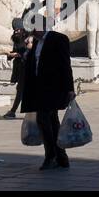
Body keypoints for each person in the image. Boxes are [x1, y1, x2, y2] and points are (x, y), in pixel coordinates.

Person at [18, 27, 75, 170]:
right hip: (39, 88)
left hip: (53, 88)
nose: (32, 34)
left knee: (42, 119)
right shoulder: (37, 42)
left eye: (33, 31)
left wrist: (70, 88)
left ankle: (51, 156)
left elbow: (65, 64)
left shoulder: (58, 38)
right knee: (52, 121)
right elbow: (35, 63)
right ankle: (61, 157)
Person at [2, 22, 32, 120]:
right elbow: (17, 51)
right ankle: (30, 112)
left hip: (27, 68)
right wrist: (10, 55)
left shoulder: (28, 39)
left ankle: (13, 111)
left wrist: (16, 55)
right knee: (22, 90)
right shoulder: (17, 38)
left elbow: (27, 53)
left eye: (18, 29)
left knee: (21, 90)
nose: (16, 31)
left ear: (23, 29)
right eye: (15, 30)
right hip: (19, 68)